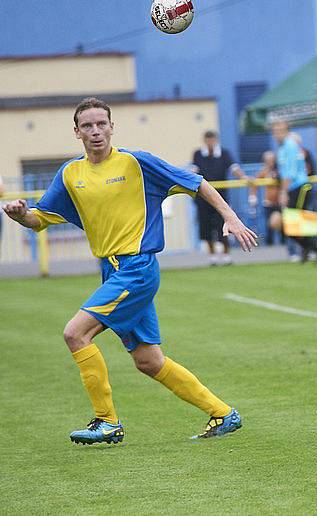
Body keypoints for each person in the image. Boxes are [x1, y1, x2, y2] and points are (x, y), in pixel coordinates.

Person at [2, 97, 258, 445]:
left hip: (136, 269)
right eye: (88, 126)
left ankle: (106, 422)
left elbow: (197, 182)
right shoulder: (70, 174)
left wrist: (231, 217)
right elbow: (40, 220)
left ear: (112, 127)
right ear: (76, 132)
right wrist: (20, 215)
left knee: (75, 334)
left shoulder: (137, 163)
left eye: (101, 124)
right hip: (111, 270)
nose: (96, 131)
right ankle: (223, 413)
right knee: (148, 361)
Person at [272, 121, 317, 267]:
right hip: (291, 189)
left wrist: (283, 193)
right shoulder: (281, 149)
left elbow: (289, 174)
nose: (277, 134)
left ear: (287, 131)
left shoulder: (290, 146)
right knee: (279, 223)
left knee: (293, 224)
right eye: (275, 131)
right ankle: (308, 249)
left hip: (299, 188)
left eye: (280, 130)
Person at [191, 130, 246, 265]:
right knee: (206, 227)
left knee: (223, 225)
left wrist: (243, 177)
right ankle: (212, 256)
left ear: (215, 140)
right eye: (208, 140)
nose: (210, 142)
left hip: (221, 198)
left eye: (212, 140)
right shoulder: (198, 154)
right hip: (202, 198)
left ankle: (226, 255)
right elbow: (193, 170)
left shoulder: (224, 153)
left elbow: (234, 168)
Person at [253, 150, 284, 246]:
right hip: (269, 203)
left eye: (271, 160)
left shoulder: (280, 171)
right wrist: (253, 196)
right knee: (269, 225)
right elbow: (255, 183)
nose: (270, 162)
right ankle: (270, 247)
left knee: (282, 224)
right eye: (267, 160)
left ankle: (284, 244)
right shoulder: (264, 172)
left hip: (280, 202)